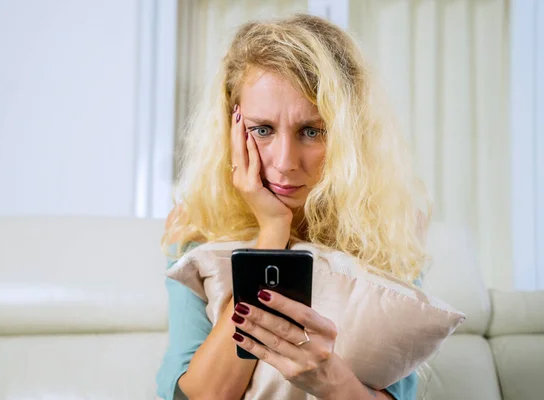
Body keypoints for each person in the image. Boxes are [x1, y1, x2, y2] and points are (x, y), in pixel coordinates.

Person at [156, 13, 429, 400]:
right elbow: (198, 396)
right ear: (231, 128)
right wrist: (272, 232)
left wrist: (330, 380)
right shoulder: (196, 226)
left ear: (349, 135)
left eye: (312, 131)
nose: (285, 161)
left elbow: (400, 393)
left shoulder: (387, 228)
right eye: (262, 129)